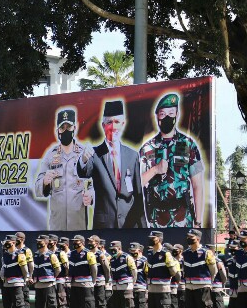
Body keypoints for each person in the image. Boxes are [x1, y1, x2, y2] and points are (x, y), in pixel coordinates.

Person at [78, 100, 146, 228]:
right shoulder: (95, 154)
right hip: (105, 226)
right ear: (103, 125)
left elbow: (138, 195)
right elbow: (83, 172)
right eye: (109, 122)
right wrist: (83, 159)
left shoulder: (132, 155)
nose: (113, 127)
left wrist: (143, 228)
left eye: (117, 122)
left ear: (123, 124)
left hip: (129, 224)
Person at [139, 93, 204, 228]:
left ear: (177, 115)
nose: (167, 118)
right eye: (162, 114)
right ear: (157, 116)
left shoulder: (189, 145)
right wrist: (155, 170)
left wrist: (198, 222)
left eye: (171, 113)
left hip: (183, 219)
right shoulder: (147, 148)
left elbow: (198, 185)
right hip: (156, 221)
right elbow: (137, 183)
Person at [35, 108, 94, 230]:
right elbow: (37, 188)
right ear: (57, 130)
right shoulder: (50, 155)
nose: (66, 130)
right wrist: (45, 181)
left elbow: (95, 183)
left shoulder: (84, 154)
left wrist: (91, 195)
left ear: (75, 128)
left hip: (79, 225)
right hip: (57, 226)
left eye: (69, 127)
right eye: (62, 128)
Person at [182, 229, 217, 308]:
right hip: (189, 287)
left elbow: (213, 270)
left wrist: (208, 283)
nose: (188, 239)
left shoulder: (206, 253)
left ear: (197, 238)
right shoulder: (186, 253)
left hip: (203, 287)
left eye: (191, 237)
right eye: (188, 237)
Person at [144, 231, 180, 308]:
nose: (150, 240)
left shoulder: (166, 254)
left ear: (159, 239)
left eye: (153, 238)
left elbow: (173, 271)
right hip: (151, 288)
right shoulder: (150, 253)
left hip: (163, 288)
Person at [68, 235, 97, 308]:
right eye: (73, 241)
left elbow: (94, 269)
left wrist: (93, 281)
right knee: (75, 306)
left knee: (87, 306)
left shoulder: (89, 254)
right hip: (74, 284)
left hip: (86, 285)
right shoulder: (71, 254)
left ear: (82, 242)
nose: (74, 243)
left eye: (77, 241)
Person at [31, 235, 61, 308]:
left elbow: (58, 269)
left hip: (49, 284)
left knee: (51, 305)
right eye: (38, 241)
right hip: (38, 284)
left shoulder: (51, 255)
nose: (38, 243)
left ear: (46, 243)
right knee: (39, 306)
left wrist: (52, 278)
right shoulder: (36, 255)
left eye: (41, 242)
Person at [0, 235, 28, 308]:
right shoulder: (5, 254)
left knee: (19, 305)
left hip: (17, 283)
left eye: (8, 242)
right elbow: (4, 267)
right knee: (7, 306)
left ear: (14, 243)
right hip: (6, 283)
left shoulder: (20, 254)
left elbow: (25, 270)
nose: (6, 244)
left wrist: (23, 280)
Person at [108, 241, 137, 308]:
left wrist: (132, 283)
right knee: (116, 307)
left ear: (119, 248)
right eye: (111, 249)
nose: (112, 251)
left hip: (126, 286)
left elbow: (134, 271)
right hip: (115, 287)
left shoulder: (127, 257)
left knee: (128, 307)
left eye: (114, 249)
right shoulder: (112, 259)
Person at [227, 235, 247, 308]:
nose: (242, 241)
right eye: (241, 239)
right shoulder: (240, 254)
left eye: (244, 239)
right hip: (241, 289)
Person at [87, 235, 111, 308]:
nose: (89, 243)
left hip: (99, 281)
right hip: (89, 282)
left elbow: (107, 269)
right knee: (91, 303)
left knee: (101, 303)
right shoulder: (87, 253)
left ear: (96, 243)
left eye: (91, 242)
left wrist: (106, 281)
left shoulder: (100, 254)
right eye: (88, 242)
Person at [207, 244, 227, 308]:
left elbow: (224, 275)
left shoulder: (218, 261)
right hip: (208, 286)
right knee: (210, 306)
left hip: (216, 286)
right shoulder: (205, 260)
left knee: (219, 306)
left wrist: (221, 284)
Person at [16, 232, 34, 308]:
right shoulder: (13, 249)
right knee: (16, 301)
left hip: (24, 279)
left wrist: (29, 276)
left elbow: (30, 265)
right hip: (15, 280)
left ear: (22, 239)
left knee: (25, 300)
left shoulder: (26, 250)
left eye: (17, 238)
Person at [51, 237, 70, 308]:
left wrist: (65, 276)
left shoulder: (60, 253)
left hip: (59, 281)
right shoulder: (48, 253)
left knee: (61, 301)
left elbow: (66, 267)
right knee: (53, 302)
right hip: (50, 281)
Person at [129, 242, 148, 308]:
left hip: (141, 287)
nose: (132, 252)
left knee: (141, 306)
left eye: (134, 250)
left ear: (139, 250)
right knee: (134, 307)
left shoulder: (144, 260)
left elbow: (147, 274)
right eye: (131, 251)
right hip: (131, 287)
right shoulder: (129, 259)